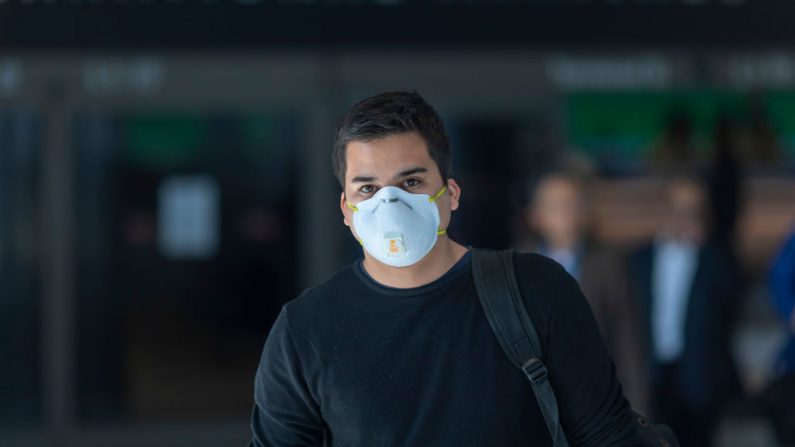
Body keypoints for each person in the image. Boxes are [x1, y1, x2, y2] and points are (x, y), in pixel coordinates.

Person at [250, 91, 645, 446]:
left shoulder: (534, 290)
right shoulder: (306, 329)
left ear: (450, 194)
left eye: (411, 181)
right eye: (367, 189)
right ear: (346, 210)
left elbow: (608, 436)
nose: (389, 204)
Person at [628, 175, 743, 447]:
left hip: (698, 375)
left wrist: (708, 244)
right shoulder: (637, 261)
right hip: (649, 373)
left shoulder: (715, 260)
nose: (683, 217)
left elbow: (731, 306)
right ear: (662, 210)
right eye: (677, 208)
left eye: (692, 210)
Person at [521, 171, 649, 415]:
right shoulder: (519, 264)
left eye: (573, 205)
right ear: (535, 216)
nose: (567, 213)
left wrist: (638, 413)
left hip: (592, 402)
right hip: (534, 406)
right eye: (557, 206)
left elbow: (628, 342)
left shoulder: (607, 264)